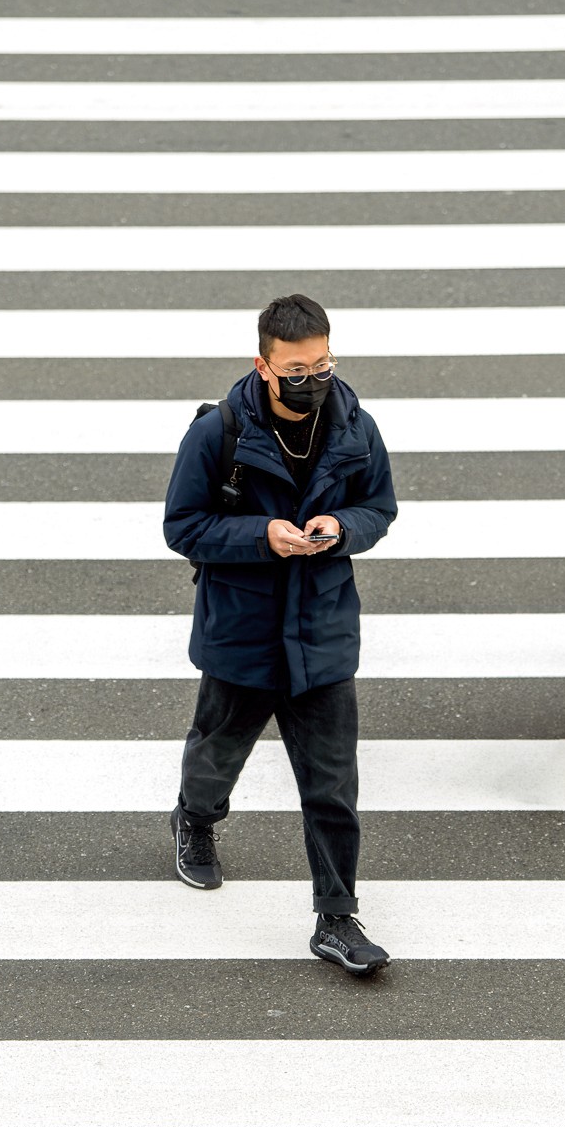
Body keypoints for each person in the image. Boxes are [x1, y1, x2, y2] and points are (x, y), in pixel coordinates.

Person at [162, 293, 398, 975]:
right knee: (216, 754)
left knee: (331, 786)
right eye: (296, 368)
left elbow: (377, 506)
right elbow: (183, 527)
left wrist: (340, 529)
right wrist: (260, 534)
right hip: (242, 630)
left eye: (322, 364)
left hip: (321, 631)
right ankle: (195, 820)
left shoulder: (355, 427)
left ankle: (336, 916)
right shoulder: (218, 435)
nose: (312, 379)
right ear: (263, 366)